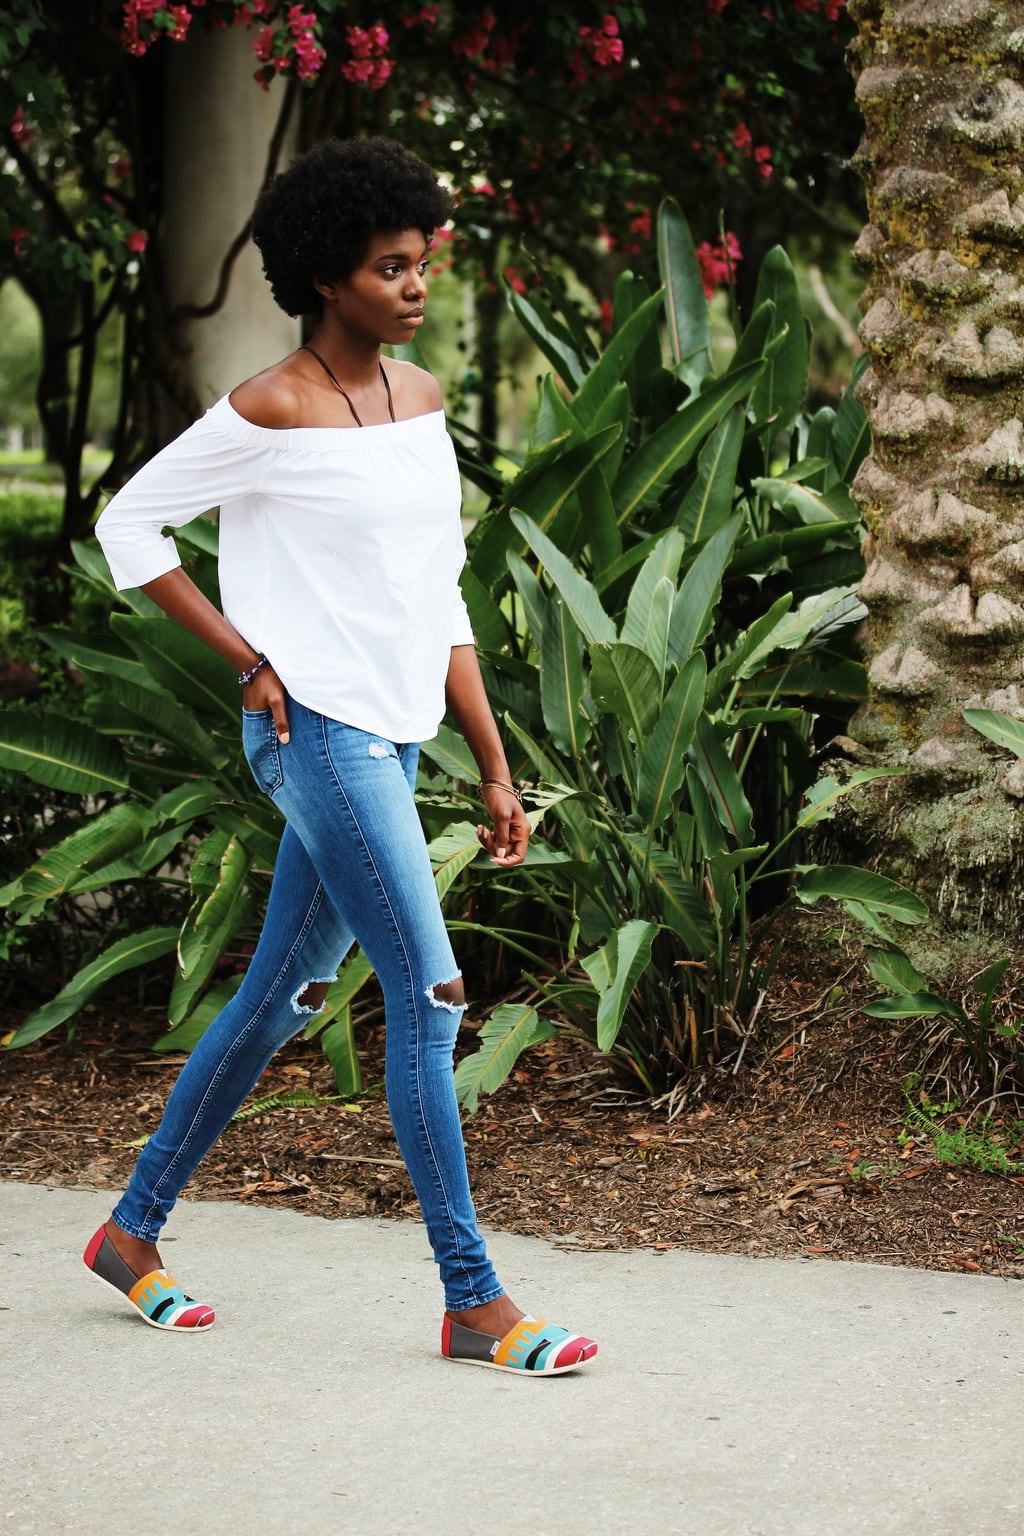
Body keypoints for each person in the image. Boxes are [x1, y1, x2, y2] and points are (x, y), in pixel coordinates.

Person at [85, 136, 597, 1377]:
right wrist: (245, 657)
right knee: (430, 997)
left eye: (420, 262)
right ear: (327, 277)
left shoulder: (418, 400)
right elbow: (128, 518)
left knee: (279, 1000)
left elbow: (440, 595)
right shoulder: (270, 407)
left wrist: (490, 758)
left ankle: (127, 1233)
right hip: (314, 734)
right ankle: (474, 1302)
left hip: (401, 734)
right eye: (388, 266)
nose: (414, 284)